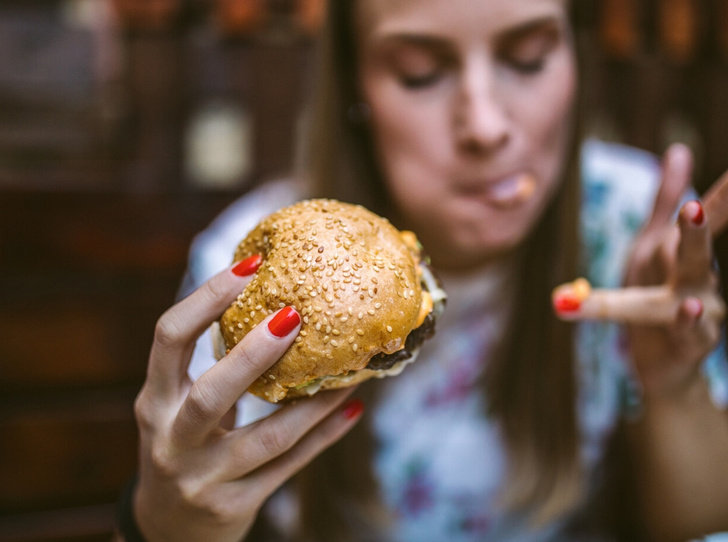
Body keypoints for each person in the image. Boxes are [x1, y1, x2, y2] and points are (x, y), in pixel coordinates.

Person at [115, 0, 728, 540]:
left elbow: (702, 526)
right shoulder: (251, 273)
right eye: (421, 73)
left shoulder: (633, 226)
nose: (486, 127)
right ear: (356, 85)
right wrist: (169, 525)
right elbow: (186, 500)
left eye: (530, 57)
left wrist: (674, 386)